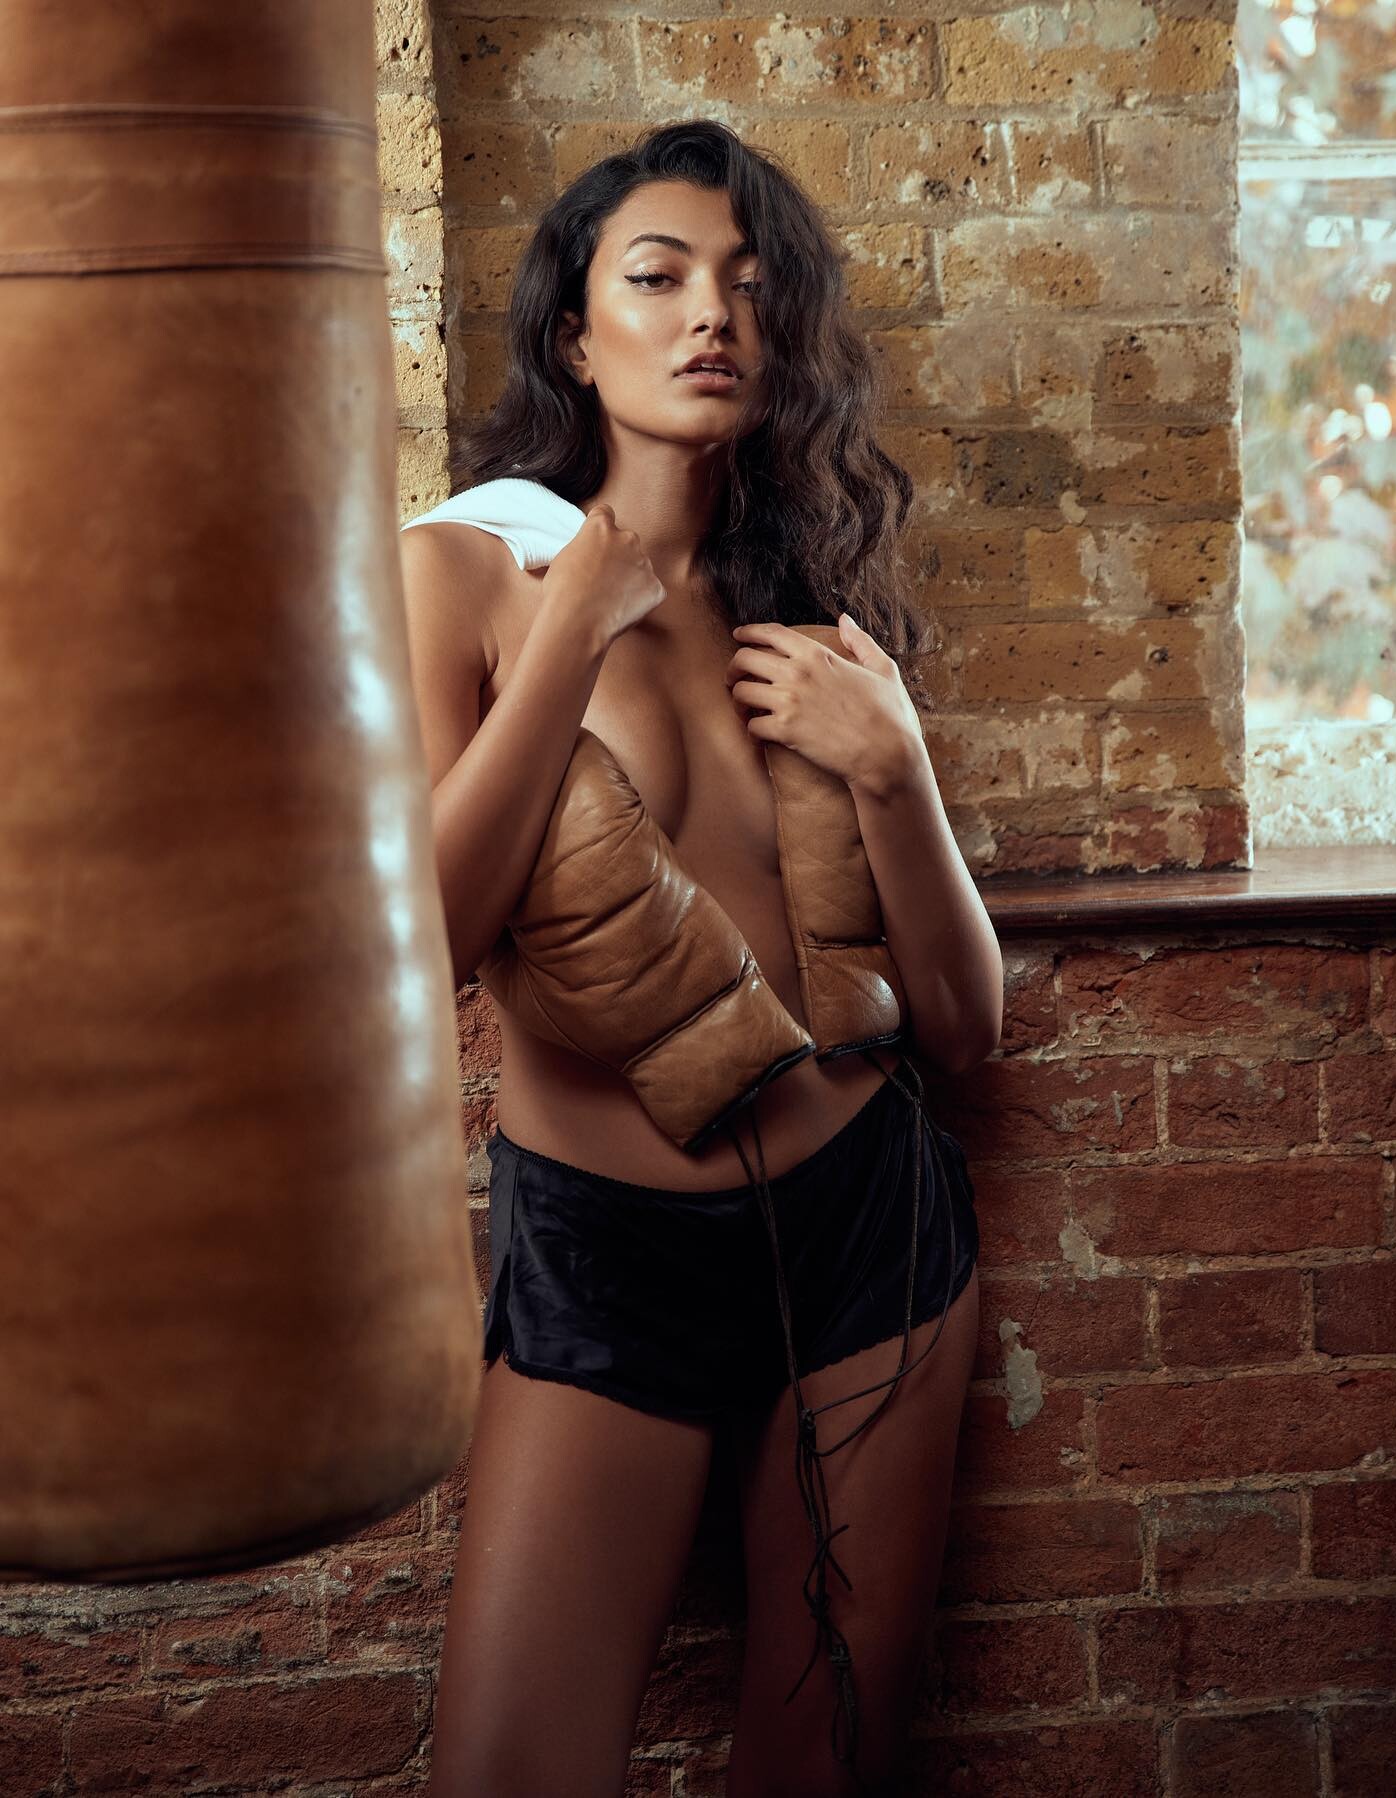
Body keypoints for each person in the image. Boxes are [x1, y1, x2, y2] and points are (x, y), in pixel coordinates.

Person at [401, 119, 1003, 1798]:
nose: (709, 314)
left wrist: (897, 764)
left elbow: (965, 1027)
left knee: (824, 1766)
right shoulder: (462, 573)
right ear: (575, 337)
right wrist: (573, 624)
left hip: (871, 1229)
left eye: (745, 285)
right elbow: (426, 942)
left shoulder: (808, 602)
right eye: (657, 278)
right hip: (611, 1256)